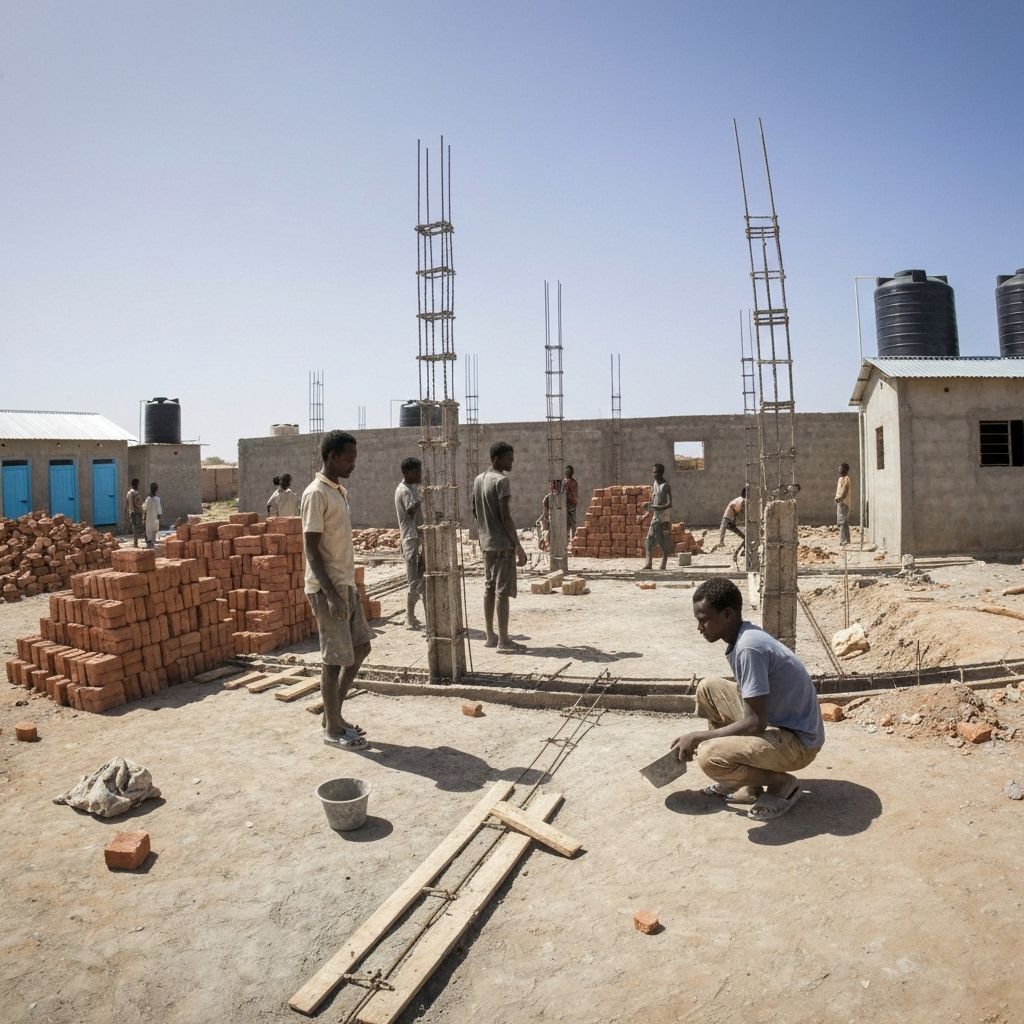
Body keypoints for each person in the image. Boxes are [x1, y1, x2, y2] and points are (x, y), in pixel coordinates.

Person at [670, 577, 825, 822]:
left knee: (709, 756)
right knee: (708, 688)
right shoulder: (742, 636)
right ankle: (746, 782)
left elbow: (755, 723)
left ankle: (782, 784)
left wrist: (699, 737)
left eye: (704, 620)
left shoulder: (748, 648)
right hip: (780, 724)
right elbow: (752, 707)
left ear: (727, 614)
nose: (700, 628)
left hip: (800, 743)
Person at [302, 430, 372, 750]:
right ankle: (332, 730)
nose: (353, 464)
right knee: (332, 662)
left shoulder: (339, 491)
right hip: (326, 588)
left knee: (361, 648)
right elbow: (312, 550)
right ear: (332, 456)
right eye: (348, 458)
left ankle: (334, 714)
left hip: (345, 584)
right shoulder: (316, 494)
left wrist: (349, 585)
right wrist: (330, 594)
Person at [472, 441, 528, 653]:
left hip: (487, 544)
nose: (511, 462)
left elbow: (475, 512)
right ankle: (504, 641)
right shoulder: (502, 481)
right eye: (508, 458)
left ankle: (490, 635)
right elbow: (506, 516)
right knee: (502, 592)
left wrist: (484, 534)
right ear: (497, 458)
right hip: (502, 544)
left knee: (489, 587)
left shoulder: (478, 480)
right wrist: (518, 546)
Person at [394, 457, 425, 630]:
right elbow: (412, 510)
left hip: (414, 538)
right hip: (411, 539)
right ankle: (409, 617)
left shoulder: (408, 489)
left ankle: (411, 616)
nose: (420, 475)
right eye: (417, 471)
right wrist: (424, 497)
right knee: (414, 580)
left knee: (418, 578)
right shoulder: (405, 491)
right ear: (408, 473)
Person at [641, 463, 673, 570]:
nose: (653, 474)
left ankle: (664, 561)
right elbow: (653, 501)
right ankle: (648, 563)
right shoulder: (654, 484)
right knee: (649, 540)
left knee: (662, 541)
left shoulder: (666, 486)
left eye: (655, 472)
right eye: (653, 472)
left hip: (664, 519)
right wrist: (645, 515)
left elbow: (669, 504)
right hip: (655, 517)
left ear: (660, 473)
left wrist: (652, 507)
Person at [714, 488, 746, 560]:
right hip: (728, 521)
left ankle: (743, 552)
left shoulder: (740, 500)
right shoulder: (741, 500)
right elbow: (735, 506)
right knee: (745, 538)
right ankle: (740, 552)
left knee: (745, 538)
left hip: (729, 521)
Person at [835, 462, 852, 546]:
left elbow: (845, 490)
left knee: (842, 522)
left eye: (841, 468)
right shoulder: (840, 479)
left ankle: (843, 540)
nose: (839, 469)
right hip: (840, 502)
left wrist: (840, 498)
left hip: (843, 503)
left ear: (845, 470)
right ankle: (847, 540)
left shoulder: (846, 479)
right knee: (844, 522)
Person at [141, 482, 162, 549]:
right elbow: (159, 512)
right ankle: (152, 545)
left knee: (148, 532)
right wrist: (158, 518)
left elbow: (144, 508)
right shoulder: (157, 499)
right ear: (157, 489)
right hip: (155, 519)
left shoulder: (148, 499)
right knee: (154, 533)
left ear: (150, 489)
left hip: (149, 519)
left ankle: (149, 545)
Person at [124, 478, 144, 547]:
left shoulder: (134, 493)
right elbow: (130, 504)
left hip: (137, 512)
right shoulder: (131, 493)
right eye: (137, 484)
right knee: (135, 528)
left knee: (137, 527)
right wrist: (131, 513)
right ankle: (136, 543)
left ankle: (137, 542)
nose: (138, 486)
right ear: (135, 485)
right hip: (134, 513)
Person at [563, 465, 579, 538]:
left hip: (571, 507)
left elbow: (573, 497)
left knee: (572, 525)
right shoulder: (564, 482)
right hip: (564, 506)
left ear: (571, 473)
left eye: (568, 472)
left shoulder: (572, 483)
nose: (566, 473)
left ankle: (573, 542)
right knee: (566, 526)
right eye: (566, 471)